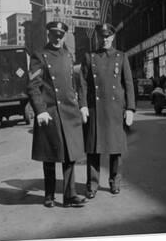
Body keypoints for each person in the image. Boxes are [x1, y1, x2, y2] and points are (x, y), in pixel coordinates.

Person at [27, 21, 86, 208]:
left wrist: (81, 105)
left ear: (64, 36)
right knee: (50, 155)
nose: (57, 38)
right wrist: (41, 110)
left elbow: (75, 83)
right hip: (50, 112)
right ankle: (49, 195)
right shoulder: (39, 56)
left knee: (70, 155)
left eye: (61, 35)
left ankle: (70, 196)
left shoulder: (69, 55)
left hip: (69, 111)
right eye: (54, 34)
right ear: (48, 35)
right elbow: (33, 86)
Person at [79, 23, 135, 197]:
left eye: (107, 36)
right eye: (101, 36)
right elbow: (83, 83)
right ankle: (92, 185)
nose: (104, 39)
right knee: (93, 149)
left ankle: (114, 181)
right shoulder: (89, 57)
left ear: (112, 37)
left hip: (115, 109)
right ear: (97, 37)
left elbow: (128, 83)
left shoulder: (121, 56)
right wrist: (83, 105)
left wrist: (130, 108)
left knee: (115, 148)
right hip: (95, 109)